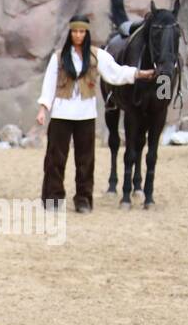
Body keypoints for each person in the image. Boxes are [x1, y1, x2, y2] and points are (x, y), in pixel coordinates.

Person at [35, 15, 150, 213]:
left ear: (86, 33)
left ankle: (83, 199)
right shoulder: (59, 57)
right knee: (55, 159)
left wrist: (139, 74)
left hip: (85, 115)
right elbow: (49, 83)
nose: (78, 35)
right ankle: (53, 198)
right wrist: (43, 108)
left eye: (81, 31)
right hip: (62, 114)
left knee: (86, 160)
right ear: (70, 33)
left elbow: (116, 72)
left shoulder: (97, 56)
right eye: (75, 31)